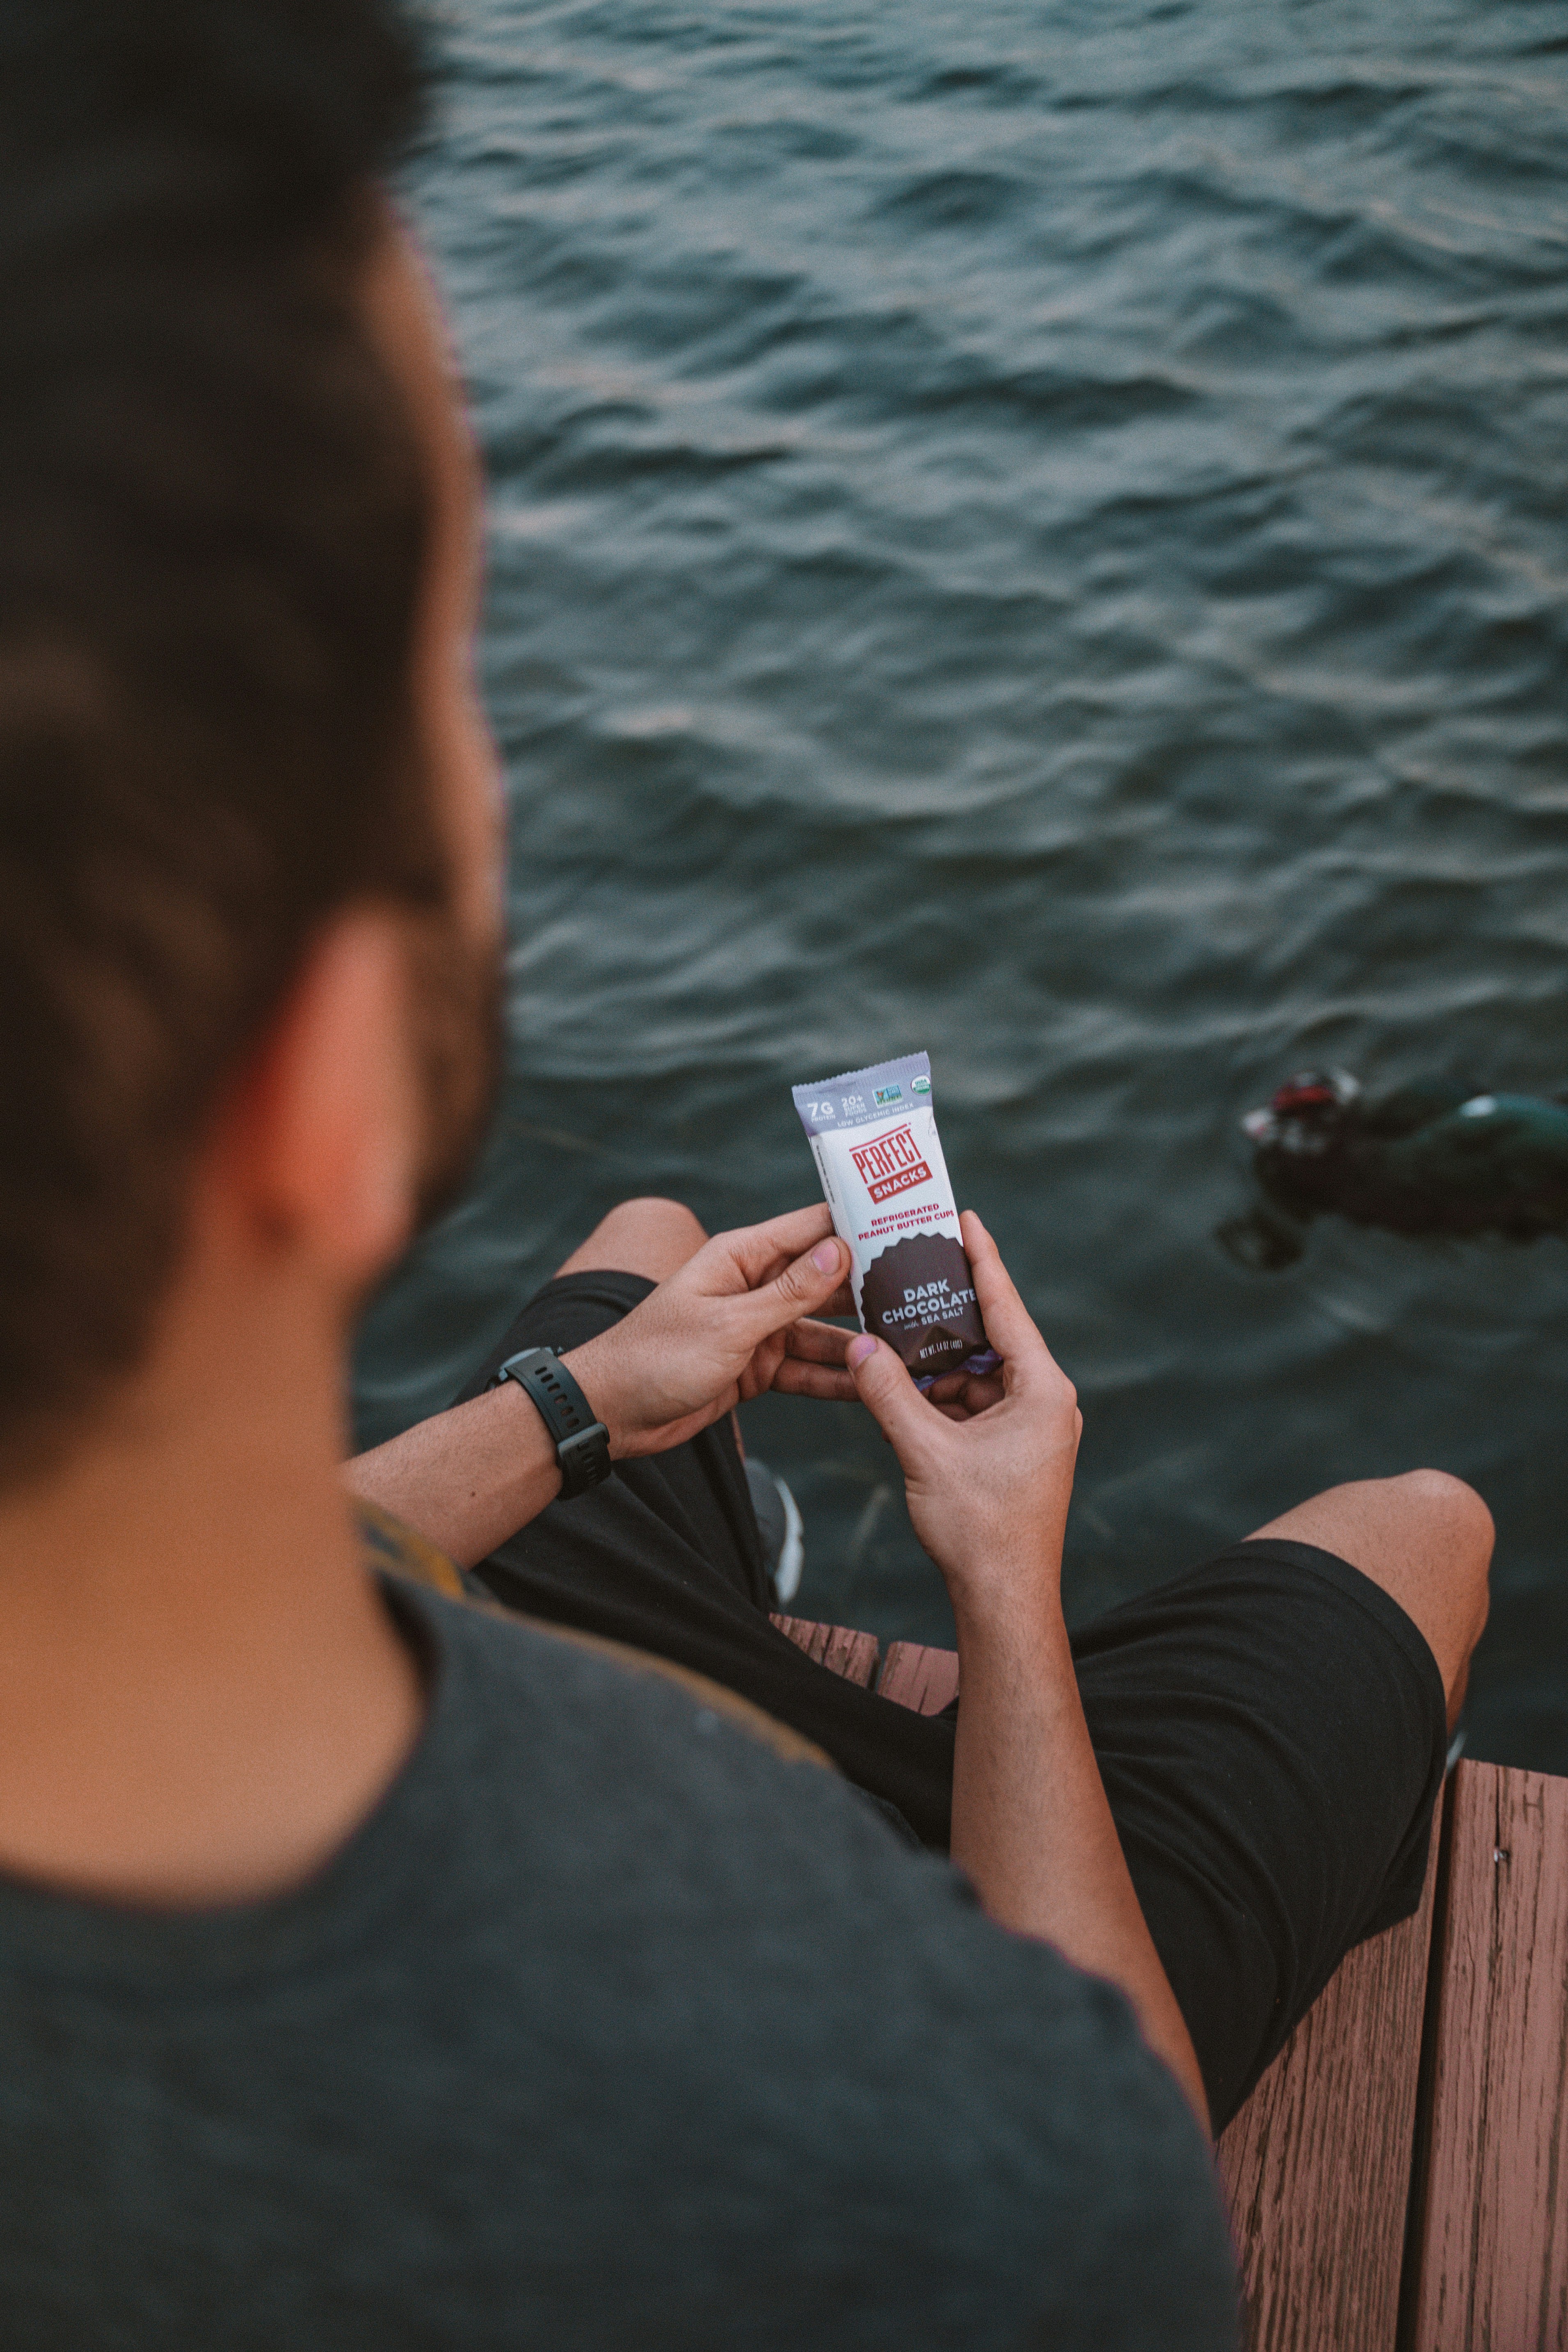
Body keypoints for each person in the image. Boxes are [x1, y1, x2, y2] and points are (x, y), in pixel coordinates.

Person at [0, 4, 1489, 2344]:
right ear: (326, 1074)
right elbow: (1130, 2221)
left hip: (449, 1582)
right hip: (817, 1826)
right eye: (448, 703)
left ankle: (702, 1459)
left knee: (641, 1268)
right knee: (1427, 1524)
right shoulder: (838, 2086)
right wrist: (1003, 1579)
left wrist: (600, 1401)